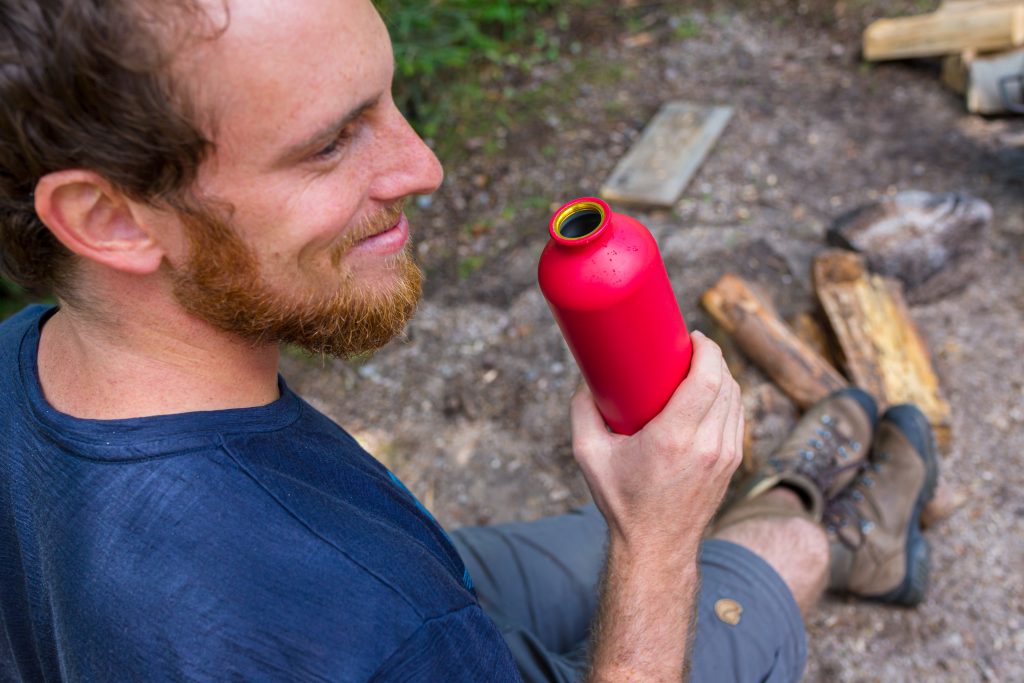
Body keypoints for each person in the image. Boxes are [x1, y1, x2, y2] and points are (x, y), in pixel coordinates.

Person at [0, 0, 938, 680]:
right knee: (759, 555)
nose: (423, 167)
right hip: (401, 632)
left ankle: (740, 499)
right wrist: (655, 545)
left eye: (387, 100)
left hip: (419, 599)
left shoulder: (31, 361)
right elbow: (362, 625)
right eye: (331, 142)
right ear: (109, 218)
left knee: (597, 542)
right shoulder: (358, 624)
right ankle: (829, 524)